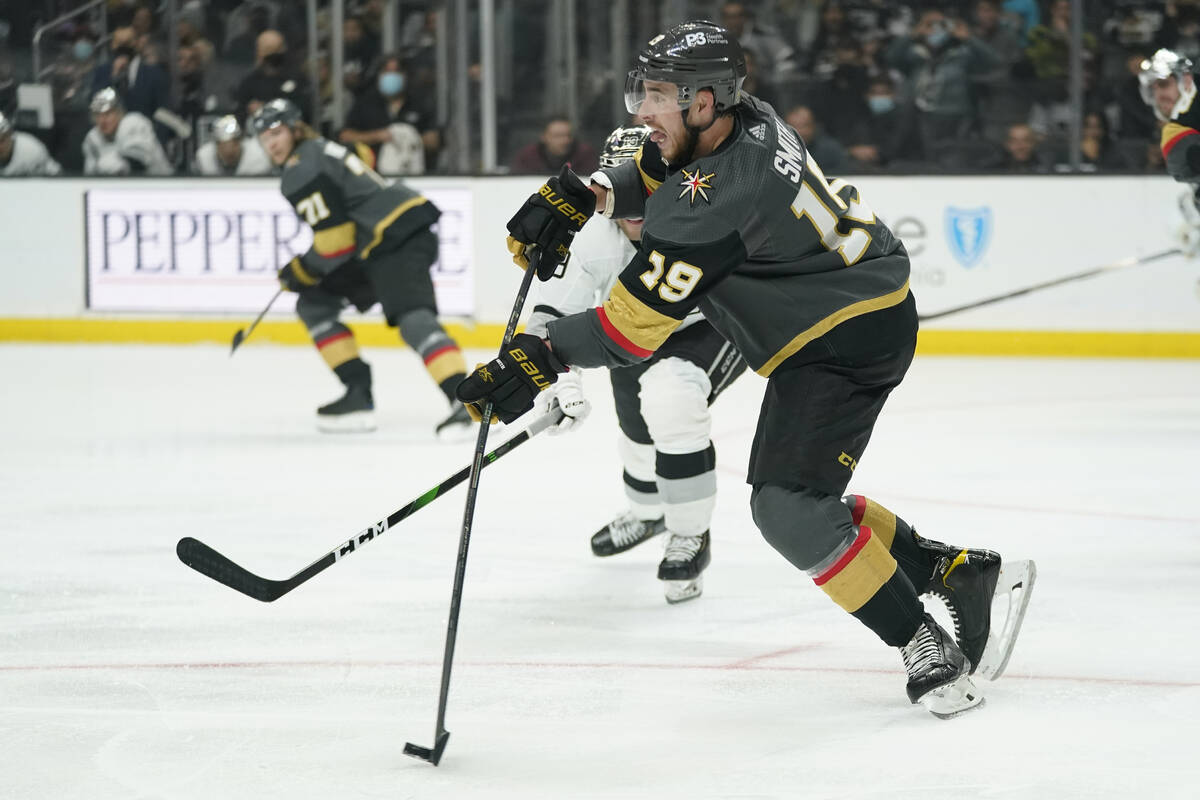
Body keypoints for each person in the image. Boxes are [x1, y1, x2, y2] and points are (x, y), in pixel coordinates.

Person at [458, 21, 1035, 717]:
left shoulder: (720, 199)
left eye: (658, 95)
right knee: (805, 499)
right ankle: (954, 571)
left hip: (845, 339)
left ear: (704, 101)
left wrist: (542, 356)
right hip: (850, 311)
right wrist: (590, 195)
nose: (641, 109)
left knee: (787, 508)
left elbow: (629, 330)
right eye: (640, 90)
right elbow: (654, 168)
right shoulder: (743, 122)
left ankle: (923, 641)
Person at [527, 124, 748, 604]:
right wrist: (557, 383)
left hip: (707, 325)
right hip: (628, 329)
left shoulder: (706, 210)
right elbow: (552, 316)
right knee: (636, 429)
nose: (634, 214)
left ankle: (690, 533)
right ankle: (648, 511)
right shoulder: (587, 235)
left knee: (671, 399)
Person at [251, 98, 471, 437]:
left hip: (393, 237)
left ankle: (469, 400)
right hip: (374, 241)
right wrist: (308, 274)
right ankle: (357, 394)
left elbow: (336, 241)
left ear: (295, 129)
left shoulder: (299, 170)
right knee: (315, 302)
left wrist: (303, 269)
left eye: (277, 133)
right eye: (265, 138)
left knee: (413, 317)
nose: (272, 143)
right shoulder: (318, 148)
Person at [339, 54, 438, 174]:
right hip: (372, 175)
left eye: (397, 71)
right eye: (387, 71)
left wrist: (410, 138)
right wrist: (376, 136)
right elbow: (346, 136)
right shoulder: (365, 103)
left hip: (413, 174)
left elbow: (433, 140)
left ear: (405, 75)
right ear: (379, 75)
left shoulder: (419, 103)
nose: (391, 76)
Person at [82, 87, 173, 175]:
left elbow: (136, 165)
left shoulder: (134, 123)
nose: (102, 120)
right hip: (120, 188)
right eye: (98, 115)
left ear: (119, 113)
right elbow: (90, 176)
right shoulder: (93, 138)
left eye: (108, 114)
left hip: (160, 186)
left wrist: (102, 165)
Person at [235, 30, 313, 123]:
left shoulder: (296, 78)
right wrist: (250, 110)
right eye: (268, 49)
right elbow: (240, 113)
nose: (274, 54)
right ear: (259, 52)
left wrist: (266, 108)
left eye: (278, 48)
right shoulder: (250, 83)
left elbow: (304, 110)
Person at [508, 115, 598, 175]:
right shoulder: (527, 156)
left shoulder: (585, 154)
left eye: (568, 135)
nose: (565, 140)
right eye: (558, 136)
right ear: (544, 137)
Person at [193, 115, 273, 176]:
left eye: (234, 142)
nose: (229, 149)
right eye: (223, 144)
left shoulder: (258, 154)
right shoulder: (204, 156)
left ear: (241, 141)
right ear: (216, 144)